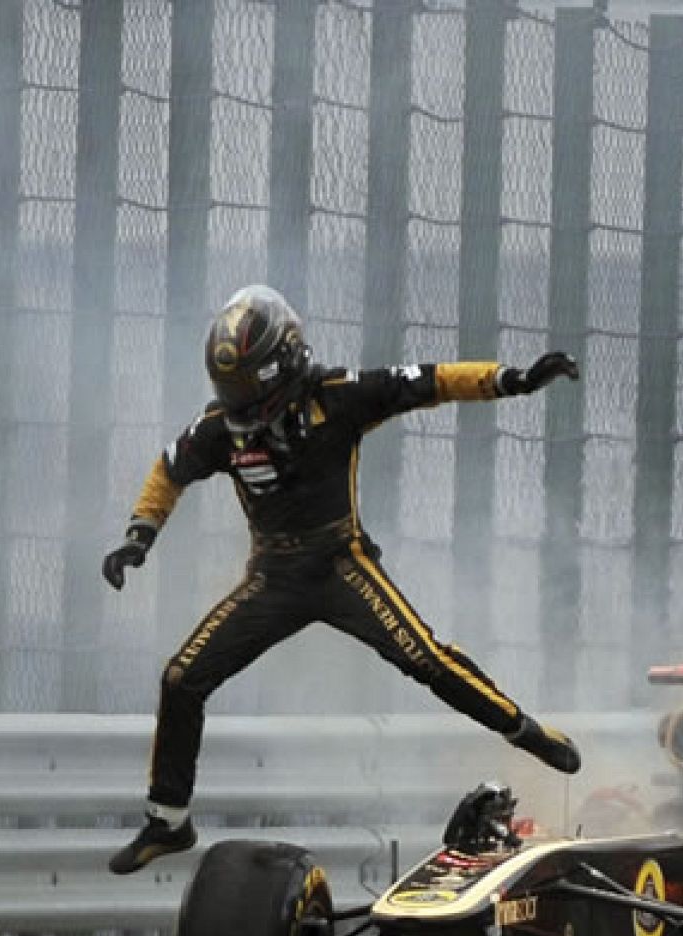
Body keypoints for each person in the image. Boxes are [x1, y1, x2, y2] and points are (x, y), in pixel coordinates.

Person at [101, 284, 582, 875]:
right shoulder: (219, 427)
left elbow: (432, 381)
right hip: (272, 578)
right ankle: (168, 821)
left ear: (285, 362)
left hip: (340, 564)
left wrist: (514, 380)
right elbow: (168, 470)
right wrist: (139, 535)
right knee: (181, 679)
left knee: (425, 658)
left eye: (249, 386)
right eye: (230, 388)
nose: (240, 402)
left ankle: (527, 731)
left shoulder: (340, 396)